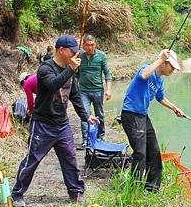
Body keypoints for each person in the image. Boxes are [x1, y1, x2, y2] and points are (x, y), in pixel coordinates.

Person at [11, 35, 99, 207]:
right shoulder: (45, 68)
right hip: (42, 124)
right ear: (61, 50)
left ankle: (76, 192)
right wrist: (70, 70)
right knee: (32, 160)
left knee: (70, 158)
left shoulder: (70, 69)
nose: (75, 55)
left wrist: (86, 116)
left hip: (62, 124)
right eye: (72, 52)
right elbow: (53, 84)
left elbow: (75, 96)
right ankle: (17, 194)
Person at [120, 49, 185, 192]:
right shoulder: (145, 69)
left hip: (143, 115)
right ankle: (134, 188)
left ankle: (152, 188)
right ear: (164, 63)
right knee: (140, 153)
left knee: (154, 151)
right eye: (172, 67)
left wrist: (174, 108)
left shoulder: (160, 80)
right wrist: (160, 59)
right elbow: (143, 75)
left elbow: (160, 97)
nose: (172, 71)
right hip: (131, 114)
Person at [77, 34, 112, 149]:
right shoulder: (79, 56)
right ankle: (86, 140)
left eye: (92, 45)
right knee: (84, 115)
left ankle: (100, 137)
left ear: (95, 45)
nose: (90, 47)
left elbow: (107, 73)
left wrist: (108, 90)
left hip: (97, 91)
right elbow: (74, 72)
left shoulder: (101, 56)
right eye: (87, 45)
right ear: (83, 45)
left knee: (99, 115)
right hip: (83, 91)